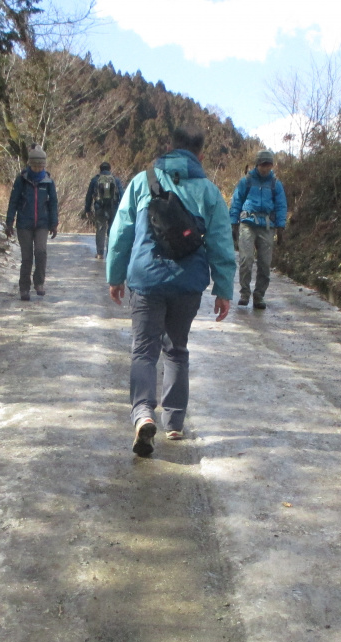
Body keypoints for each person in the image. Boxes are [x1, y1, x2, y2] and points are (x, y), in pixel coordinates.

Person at [106, 124, 236, 457]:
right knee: (177, 349)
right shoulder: (209, 191)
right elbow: (221, 242)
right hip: (188, 283)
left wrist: (115, 275)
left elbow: (121, 232)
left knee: (144, 351)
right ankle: (174, 422)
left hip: (146, 280)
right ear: (200, 155)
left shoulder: (142, 181)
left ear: (170, 148)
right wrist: (223, 289)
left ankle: (143, 414)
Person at [229, 149, 288, 310]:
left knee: (265, 263)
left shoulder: (275, 184)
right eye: (263, 165)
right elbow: (236, 202)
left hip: (267, 226)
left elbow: (281, 206)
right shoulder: (246, 181)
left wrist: (281, 227)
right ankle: (244, 293)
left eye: (268, 165)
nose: (265, 168)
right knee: (246, 260)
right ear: (257, 164)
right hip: (247, 224)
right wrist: (234, 223)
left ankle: (259, 295)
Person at [5, 145, 59, 301]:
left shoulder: (48, 182)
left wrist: (54, 223)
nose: (37, 169)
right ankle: (24, 288)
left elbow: (53, 203)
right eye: (34, 166)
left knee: (41, 252)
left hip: (42, 223)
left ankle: (39, 282)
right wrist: (9, 222)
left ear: (44, 165)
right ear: (30, 164)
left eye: (40, 166)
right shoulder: (21, 180)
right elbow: (13, 201)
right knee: (27, 257)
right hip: (24, 224)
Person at [84, 162, 124, 259]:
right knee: (112, 230)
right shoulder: (116, 180)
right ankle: (110, 253)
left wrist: (87, 209)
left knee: (100, 230)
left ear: (100, 169)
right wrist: (121, 209)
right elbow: (122, 195)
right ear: (110, 169)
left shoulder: (95, 180)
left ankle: (100, 253)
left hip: (99, 208)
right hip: (113, 208)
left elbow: (89, 196)